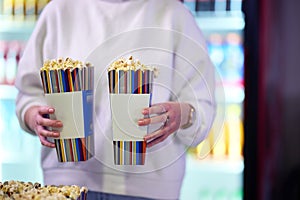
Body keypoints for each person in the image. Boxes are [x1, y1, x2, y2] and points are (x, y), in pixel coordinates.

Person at [15, 0, 216, 199]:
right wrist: (34, 117)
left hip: (149, 188)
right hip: (66, 184)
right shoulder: (58, 11)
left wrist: (183, 115)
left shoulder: (174, 14)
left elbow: (201, 106)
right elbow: (29, 93)